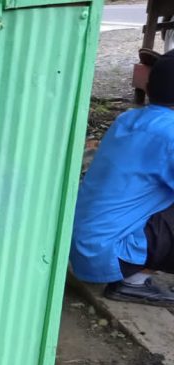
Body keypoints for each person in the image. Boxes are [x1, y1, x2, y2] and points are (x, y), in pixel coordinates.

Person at [70, 50, 174, 305]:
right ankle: (133, 282)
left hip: (81, 244)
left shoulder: (130, 118)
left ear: (149, 88)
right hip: (109, 253)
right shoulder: (169, 133)